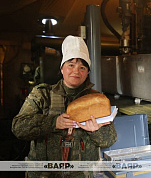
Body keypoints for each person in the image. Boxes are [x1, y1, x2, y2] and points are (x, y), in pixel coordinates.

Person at [12, 35, 117, 178]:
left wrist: (95, 131)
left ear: (87, 73)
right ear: (62, 69)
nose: (76, 71)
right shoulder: (42, 95)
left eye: (82, 67)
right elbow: (18, 127)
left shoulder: (96, 100)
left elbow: (109, 140)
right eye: (71, 65)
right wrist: (53, 122)